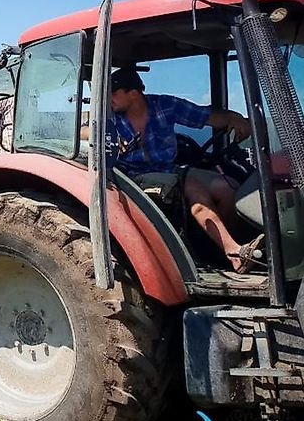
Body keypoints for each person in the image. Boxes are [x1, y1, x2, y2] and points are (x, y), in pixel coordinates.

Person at [108, 67, 264, 274]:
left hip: (169, 169)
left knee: (227, 187)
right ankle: (233, 253)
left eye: (113, 93)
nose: (109, 98)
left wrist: (234, 118)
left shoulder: (164, 106)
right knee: (193, 188)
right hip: (133, 178)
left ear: (133, 94)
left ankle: (223, 247)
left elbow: (205, 115)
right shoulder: (109, 117)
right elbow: (84, 129)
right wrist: (109, 138)